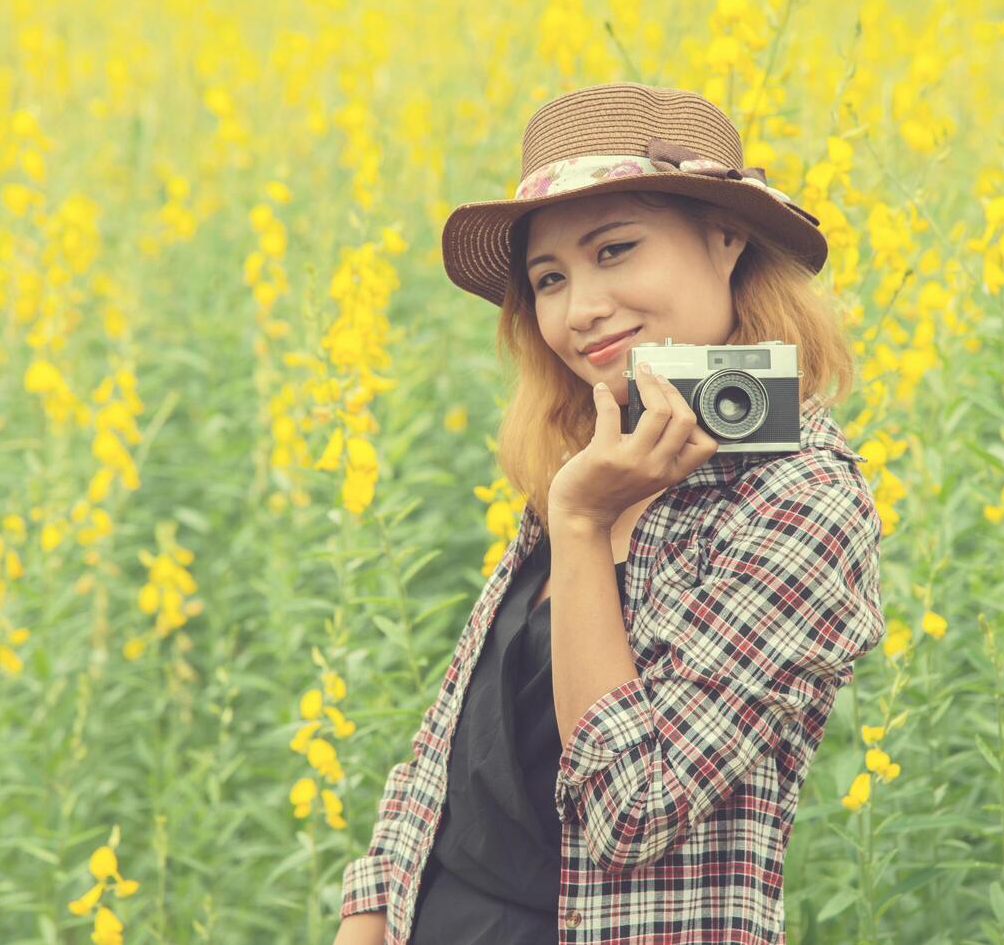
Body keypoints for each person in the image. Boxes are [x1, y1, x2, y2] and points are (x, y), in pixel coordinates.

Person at [334, 81, 884, 945]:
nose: (580, 308)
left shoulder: (799, 499)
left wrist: (583, 528)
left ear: (726, 238)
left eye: (616, 250)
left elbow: (632, 810)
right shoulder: (596, 453)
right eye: (548, 279)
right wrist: (365, 918)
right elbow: (452, 754)